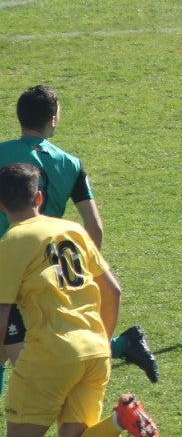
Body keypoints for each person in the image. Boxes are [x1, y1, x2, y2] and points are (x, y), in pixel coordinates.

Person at [0, 86, 158, 394]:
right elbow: (94, 225)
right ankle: (122, 344)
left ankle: (122, 346)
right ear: (53, 119)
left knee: (19, 348)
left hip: (8, 262)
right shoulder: (71, 163)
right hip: (48, 264)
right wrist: (78, 269)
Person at [0, 162, 159, 437]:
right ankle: (120, 420)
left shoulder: (10, 242)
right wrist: (104, 345)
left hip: (50, 354)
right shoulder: (73, 231)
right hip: (95, 351)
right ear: (39, 197)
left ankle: (121, 421)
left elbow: (2, 315)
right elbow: (113, 290)